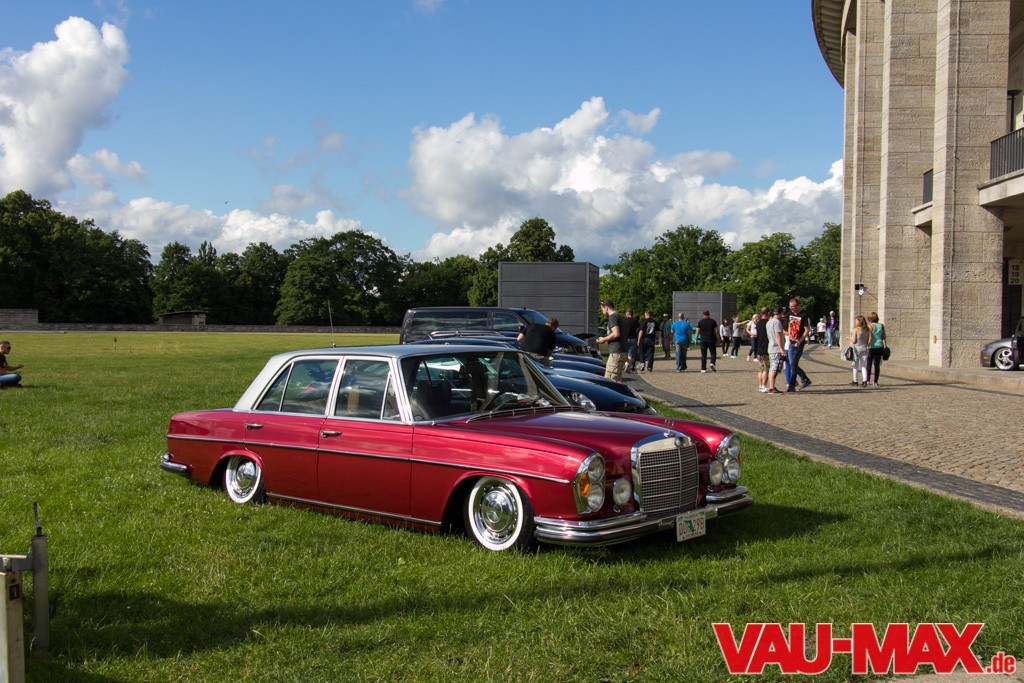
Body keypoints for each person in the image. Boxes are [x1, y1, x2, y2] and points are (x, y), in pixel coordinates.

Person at [785, 298, 812, 392]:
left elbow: (807, 330)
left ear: (798, 306)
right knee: (792, 363)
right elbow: (789, 325)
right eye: (790, 306)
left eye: (793, 306)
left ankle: (792, 385)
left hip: (798, 343)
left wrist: (800, 341)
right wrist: (789, 337)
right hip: (791, 342)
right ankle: (805, 379)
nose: (791, 308)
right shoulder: (789, 314)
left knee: (793, 364)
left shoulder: (803, 315)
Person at [597, 301, 628, 382]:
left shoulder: (612, 317)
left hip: (616, 353)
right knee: (617, 381)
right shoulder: (619, 316)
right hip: (622, 351)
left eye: (602, 309)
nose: (602, 311)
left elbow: (616, 333)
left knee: (609, 381)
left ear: (606, 308)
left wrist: (603, 339)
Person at [766, 306, 787, 393]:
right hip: (776, 348)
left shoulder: (769, 322)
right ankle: (771, 387)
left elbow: (769, 335)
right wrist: (781, 349)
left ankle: (772, 386)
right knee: (775, 368)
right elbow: (777, 335)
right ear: (781, 313)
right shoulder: (777, 322)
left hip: (771, 347)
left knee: (772, 367)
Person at [866, 311, 887, 386]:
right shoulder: (881, 325)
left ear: (869, 318)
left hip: (871, 346)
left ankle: (867, 380)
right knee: (877, 365)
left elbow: (869, 337)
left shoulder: (869, 326)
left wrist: (867, 345)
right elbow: (884, 337)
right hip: (879, 346)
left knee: (869, 364)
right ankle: (875, 381)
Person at [850, 315, 871, 386]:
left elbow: (854, 341)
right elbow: (870, 340)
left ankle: (855, 381)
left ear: (860, 322)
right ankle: (865, 381)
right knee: (863, 366)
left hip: (856, 349)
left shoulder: (856, 330)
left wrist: (849, 338)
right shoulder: (867, 329)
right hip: (864, 348)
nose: (855, 322)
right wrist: (867, 345)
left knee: (855, 366)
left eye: (856, 321)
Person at [754, 307, 770, 392]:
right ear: (768, 313)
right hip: (765, 348)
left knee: (760, 369)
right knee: (766, 369)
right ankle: (764, 385)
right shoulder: (768, 323)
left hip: (759, 349)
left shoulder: (758, 323)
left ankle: (760, 386)